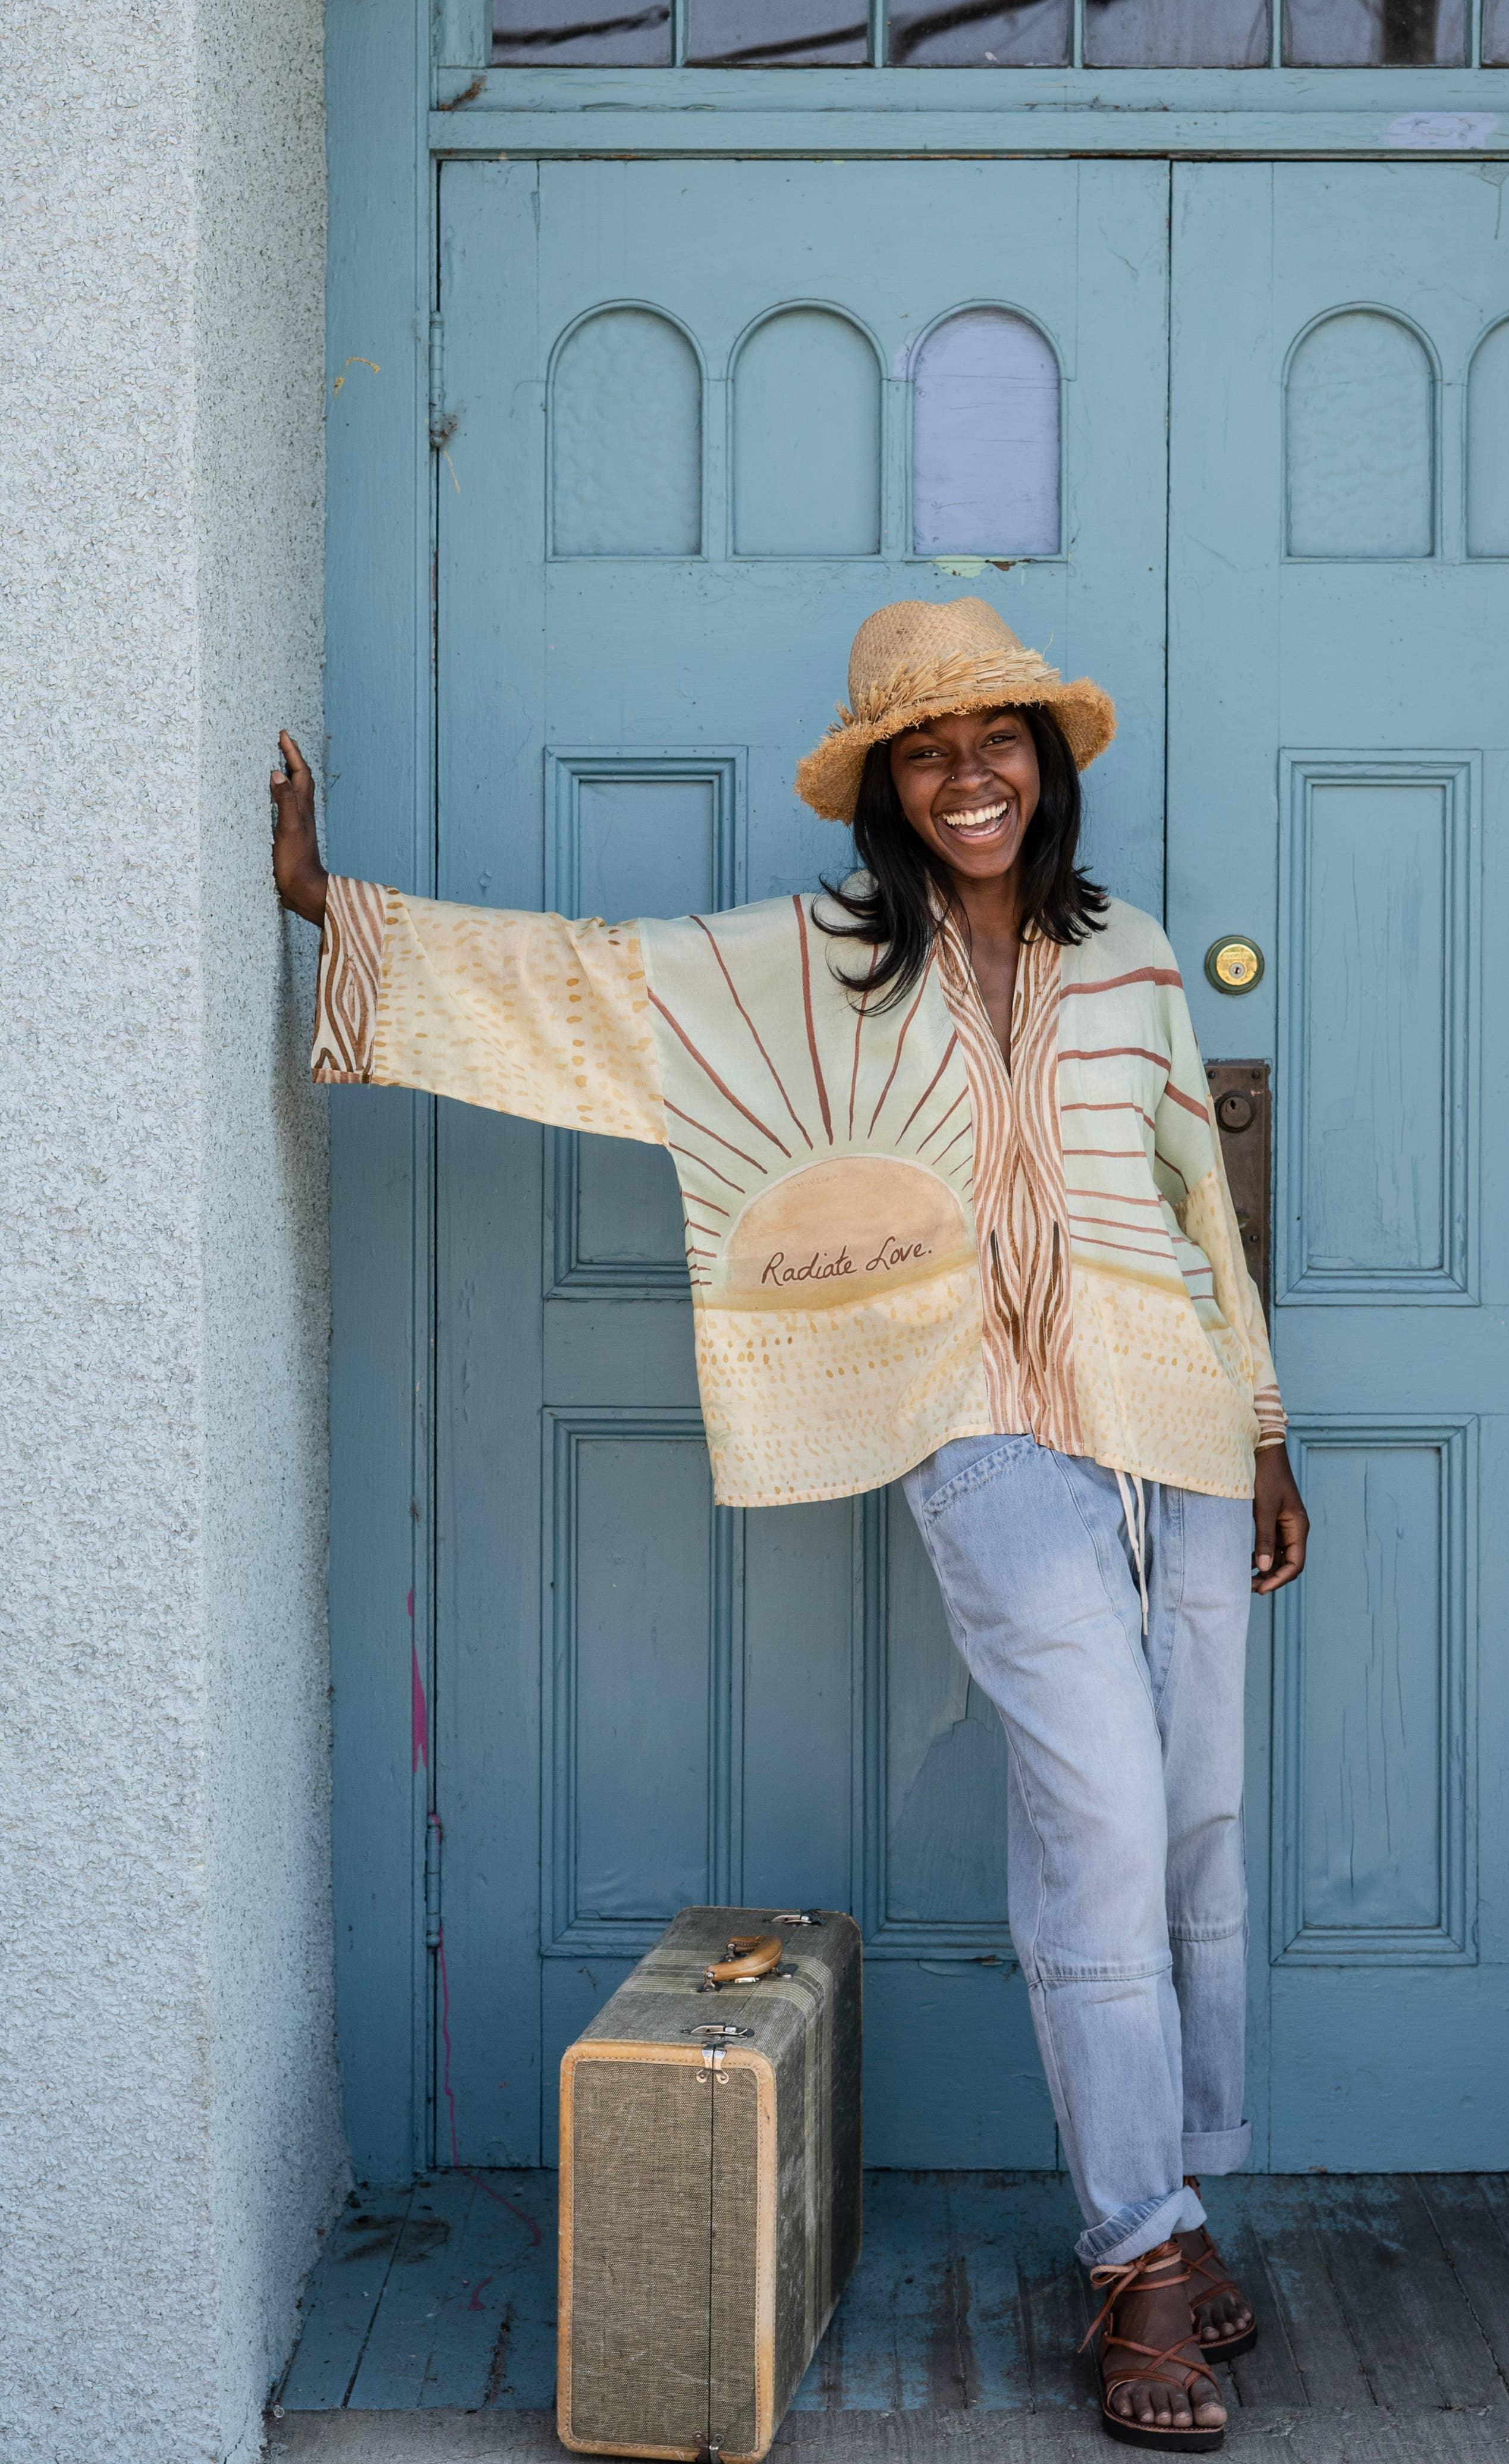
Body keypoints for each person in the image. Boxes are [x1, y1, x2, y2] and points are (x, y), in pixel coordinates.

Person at [272, 594, 1309, 2453]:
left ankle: (1180, 2194)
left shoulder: (1133, 953)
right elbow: (600, 992)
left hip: (1171, 1422)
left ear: (1044, 765)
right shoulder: (816, 960)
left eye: (995, 739)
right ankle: (1133, 2255)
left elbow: (1191, 1201)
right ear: (885, 788)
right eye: (927, 748)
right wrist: (343, 921)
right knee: (1100, 1812)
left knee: (1201, 1819)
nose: (967, 773)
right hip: (983, 1438)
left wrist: (1264, 1431)